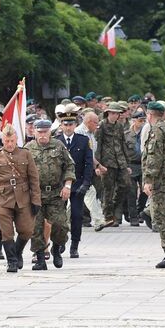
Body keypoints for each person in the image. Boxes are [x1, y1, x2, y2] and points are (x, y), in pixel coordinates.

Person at [0, 125, 41, 273]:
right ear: (2, 140)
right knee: (6, 232)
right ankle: (11, 261)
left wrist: (36, 200)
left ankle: (17, 252)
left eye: (12, 140)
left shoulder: (25, 154)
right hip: (2, 198)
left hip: (23, 197)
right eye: (6, 141)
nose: (9, 144)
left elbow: (34, 179)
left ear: (16, 139)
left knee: (26, 230)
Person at [25, 119, 74, 270]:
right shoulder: (28, 149)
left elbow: (70, 166)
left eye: (45, 132)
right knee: (36, 228)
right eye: (39, 132)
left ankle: (57, 249)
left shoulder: (58, 146)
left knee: (61, 225)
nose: (42, 135)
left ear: (50, 132)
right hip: (36, 195)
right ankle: (40, 258)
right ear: (34, 132)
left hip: (55, 194)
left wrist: (67, 185)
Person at [142, 101, 165, 268]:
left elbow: (153, 156)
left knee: (160, 216)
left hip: (160, 181)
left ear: (150, 115)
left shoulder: (156, 130)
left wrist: (149, 179)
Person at [59, 111, 93, 259]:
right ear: (61, 125)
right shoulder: (57, 141)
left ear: (75, 125)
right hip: (60, 185)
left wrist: (86, 183)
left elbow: (88, 163)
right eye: (65, 124)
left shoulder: (83, 140)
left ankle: (74, 245)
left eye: (71, 124)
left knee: (77, 216)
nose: (68, 127)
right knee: (58, 217)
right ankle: (59, 242)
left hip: (77, 183)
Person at [94, 103, 130, 230]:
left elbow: (122, 143)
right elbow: (98, 146)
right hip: (107, 162)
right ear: (108, 113)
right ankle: (108, 216)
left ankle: (112, 208)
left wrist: (127, 163)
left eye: (117, 113)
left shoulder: (119, 126)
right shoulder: (102, 126)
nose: (115, 116)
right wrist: (98, 165)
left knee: (125, 184)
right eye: (113, 113)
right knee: (107, 190)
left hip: (120, 160)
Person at [125, 110, 146, 226]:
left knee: (145, 190)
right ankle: (133, 216)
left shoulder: (147, 132)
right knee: (132, 192)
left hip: (143, 165)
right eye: (140, 120)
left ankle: (139, 211)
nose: (142, 123)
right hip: (131, 165)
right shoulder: (126, 135)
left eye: (143, 120)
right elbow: (123, 151)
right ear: (134, 121)